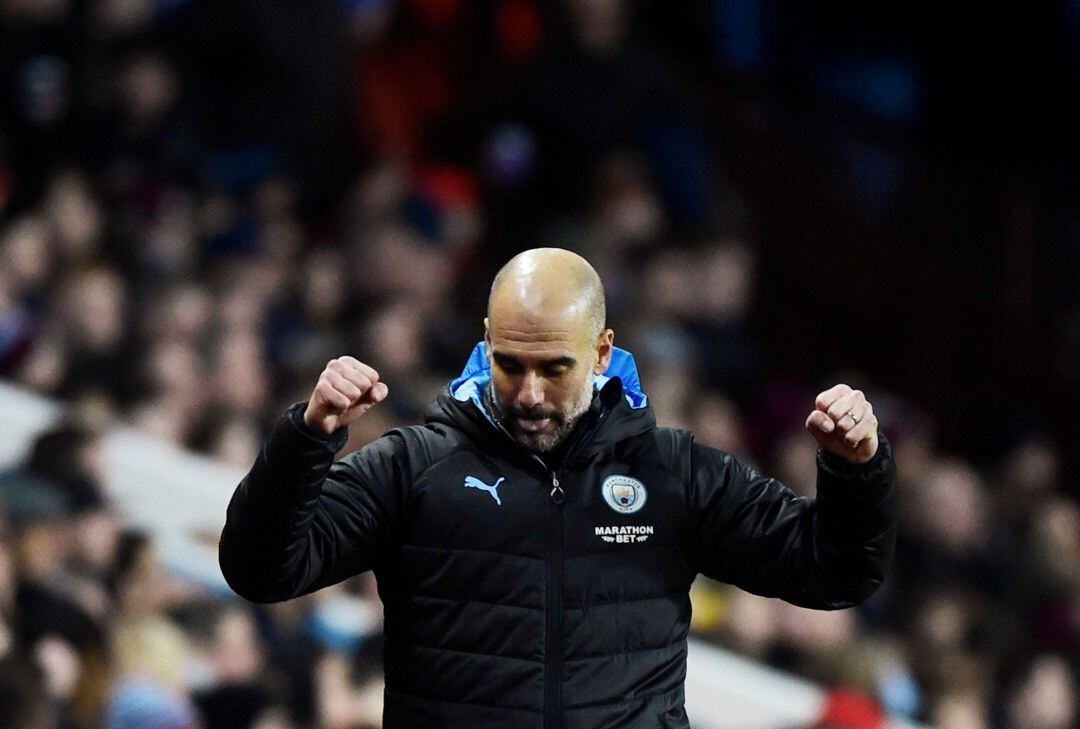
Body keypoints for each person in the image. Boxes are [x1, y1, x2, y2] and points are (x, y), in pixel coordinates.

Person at [219, 248, 897, 729]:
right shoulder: (415, 467)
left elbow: (834, 570)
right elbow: (258, 569)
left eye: (555, 367)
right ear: (485, 342)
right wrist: (306, 439)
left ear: (603, 353)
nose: (531, 393)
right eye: (509, 364)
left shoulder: (671, 473)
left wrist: (855, 469)